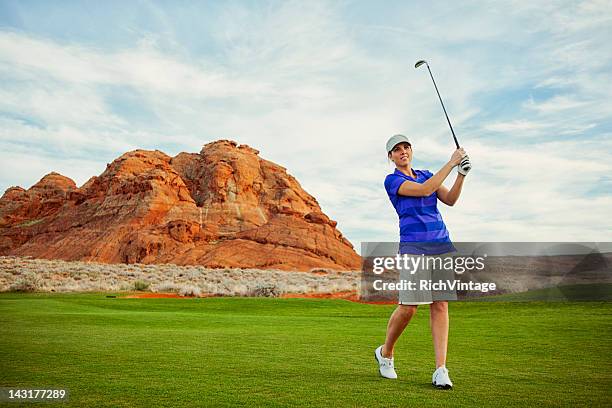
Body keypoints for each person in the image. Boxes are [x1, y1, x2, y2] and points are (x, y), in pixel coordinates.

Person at [374, 134, 471, 389]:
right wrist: (451, 164)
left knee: (440, 305)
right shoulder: (392, 180)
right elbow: (424, 191)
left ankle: (441, 369)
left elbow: (449, 199)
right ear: (391, 157)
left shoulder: (427, 173)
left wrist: (461, 174)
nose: (402, 151)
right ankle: (386, 353)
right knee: (410, 306)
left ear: (411, 150)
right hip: (413, 247)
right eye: (396, 149)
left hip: (440, 244)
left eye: (406, 147)